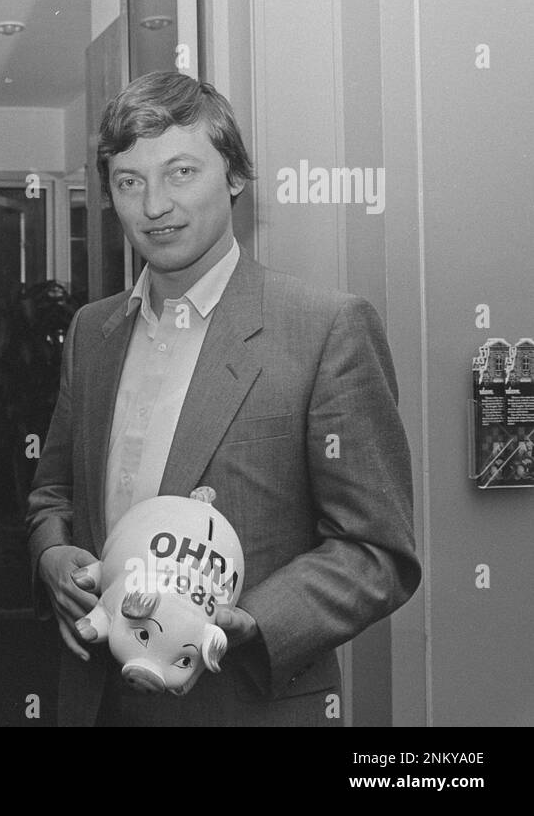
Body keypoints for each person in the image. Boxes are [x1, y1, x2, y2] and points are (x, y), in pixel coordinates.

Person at [26, 71, 421, 726]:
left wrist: (251, 620)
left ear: (235, 176)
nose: (154, 205)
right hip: (97, 699)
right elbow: (52, 493)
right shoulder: (91, 333)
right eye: (129, 182)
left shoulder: (325, 329)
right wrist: (51, 554)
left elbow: (378, 551)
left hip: (240, 701)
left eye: (181, 172)